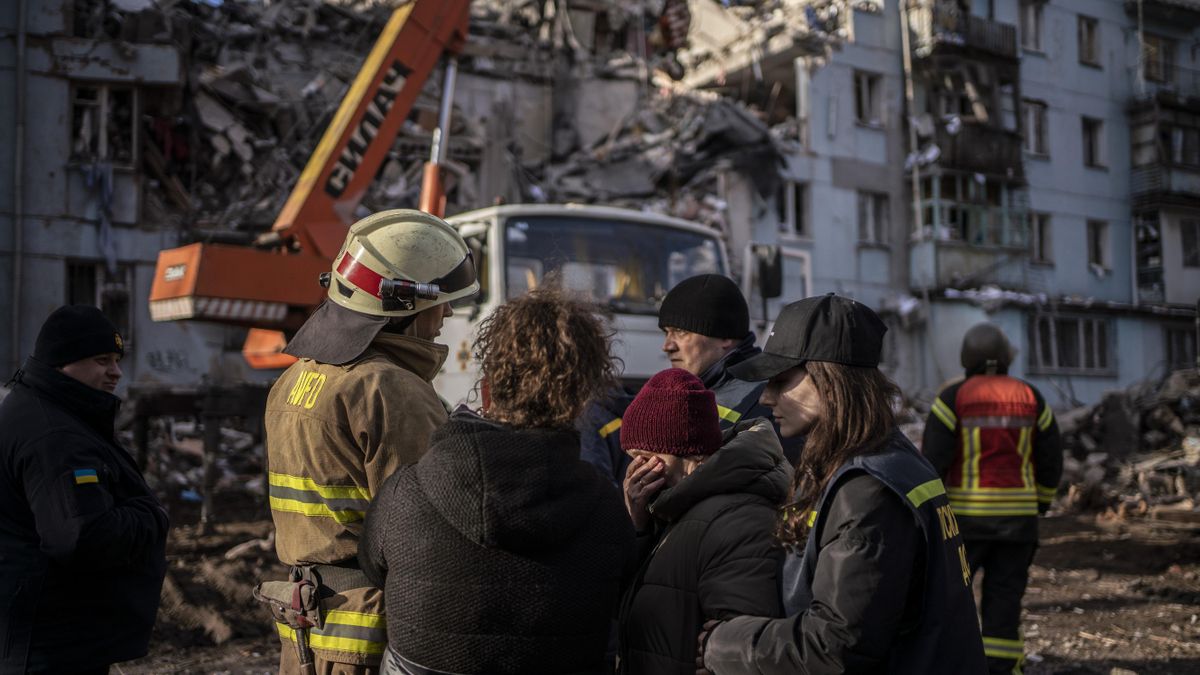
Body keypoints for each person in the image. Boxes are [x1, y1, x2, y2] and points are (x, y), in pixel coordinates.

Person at [698, 294, 986, 674]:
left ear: (832, 382)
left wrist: (724, 644)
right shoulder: (892, 460)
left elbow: (834, 646)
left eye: (781, 381)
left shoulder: (868, 489)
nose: (766, 397)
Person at [359, 287, 635, 675]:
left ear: (487, 390)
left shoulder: (405, 493)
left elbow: (374, 569)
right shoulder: (606, 509)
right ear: (578, 401)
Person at [261, 209, 478, 674]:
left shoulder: (294, 379)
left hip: (308, 630)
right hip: (370, 637)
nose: (449, 312)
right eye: (440, 301)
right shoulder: (390, 390)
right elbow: (430, 531)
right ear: (404, 305)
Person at [0, 305, 168, 674]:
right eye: (101, 360)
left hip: (36, 635)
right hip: (50, 645)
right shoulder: (55, 436)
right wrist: (150, 515)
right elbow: (83, 535)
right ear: (63, 362)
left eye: (117, 359)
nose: (115, 372)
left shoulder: (36, 410)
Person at [618, 368, 789, 674]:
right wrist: (638, 522)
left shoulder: (737, 518)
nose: (636, 468)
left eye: (642, 455)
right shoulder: (678, 506)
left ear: (679, 448)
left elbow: (740, 649)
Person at [922, 322, 1063, 675]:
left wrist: (930, 518)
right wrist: (1041, 503)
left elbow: (932, 463)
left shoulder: (953, 399)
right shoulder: (1031, 397)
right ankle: (1001, 669)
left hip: (964, 525)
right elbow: (1051, 460)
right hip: (1018, 526)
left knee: (951, 602)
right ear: (1005, 358)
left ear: (966, 358)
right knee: (1004, 604)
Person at [581, 273, 799, 485]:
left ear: (725, 337)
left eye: (680, 332)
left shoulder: (765, 402)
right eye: (666, 332)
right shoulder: (700, 389)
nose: (667, 346)